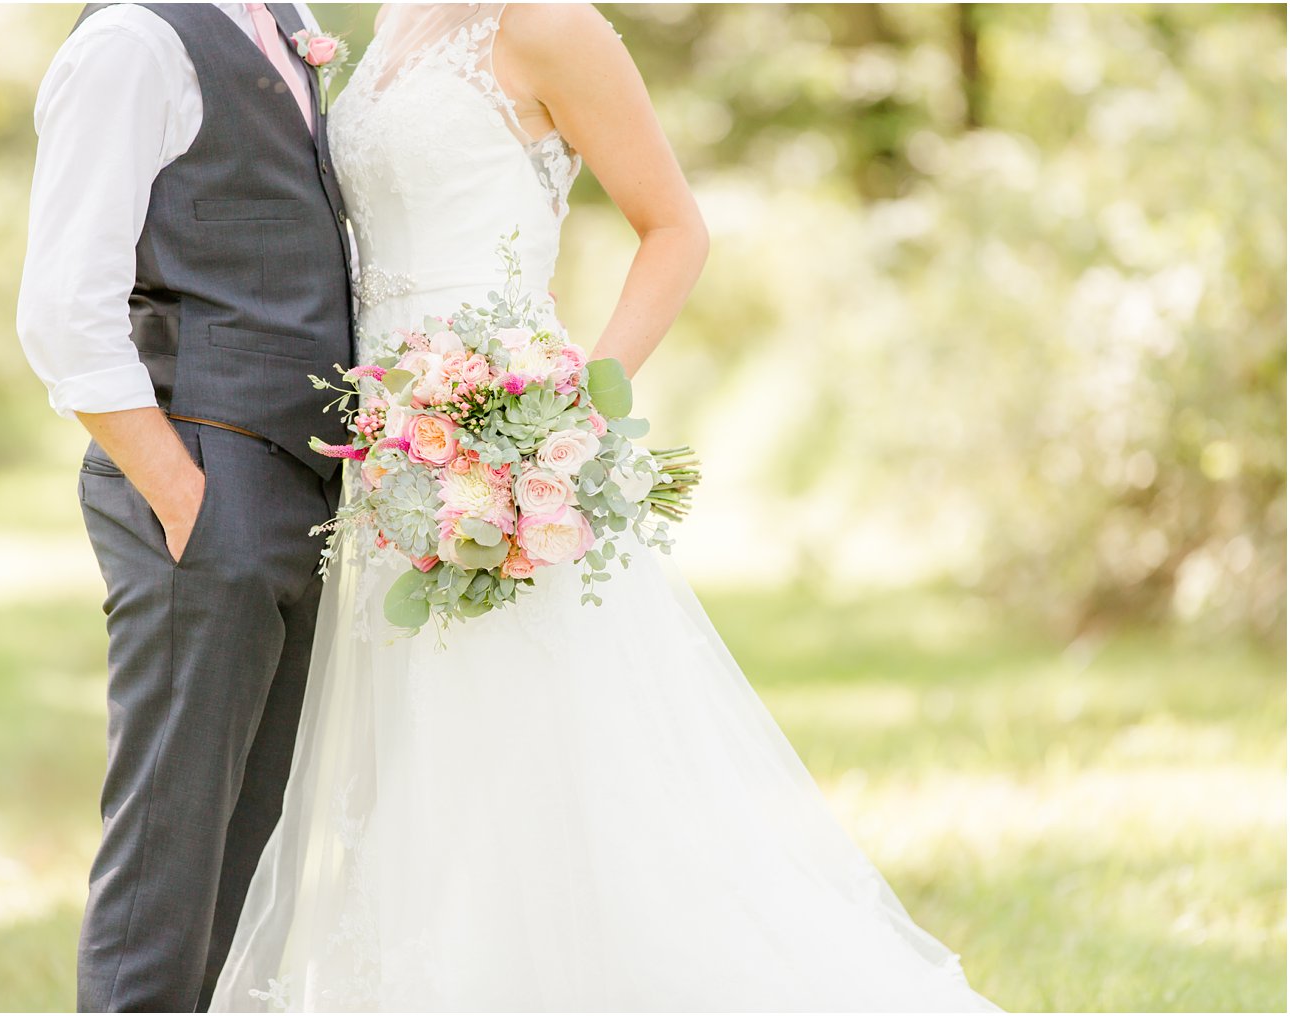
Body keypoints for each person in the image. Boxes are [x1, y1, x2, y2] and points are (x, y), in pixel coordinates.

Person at [211, 4, 1001, 1011]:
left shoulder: (548, 23)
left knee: (537, 748)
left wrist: (557, 416)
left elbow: (675, 228)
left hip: (502, 436)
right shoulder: (395, 18)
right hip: (393, 458)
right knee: (419, 754)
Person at [16, 3, 352, 1009]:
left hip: (302, 478)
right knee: (167, 866)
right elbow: (64, 306)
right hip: (204, 472)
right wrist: (180, 492)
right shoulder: (132, 42)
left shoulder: (282, 21)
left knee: (246, 864)